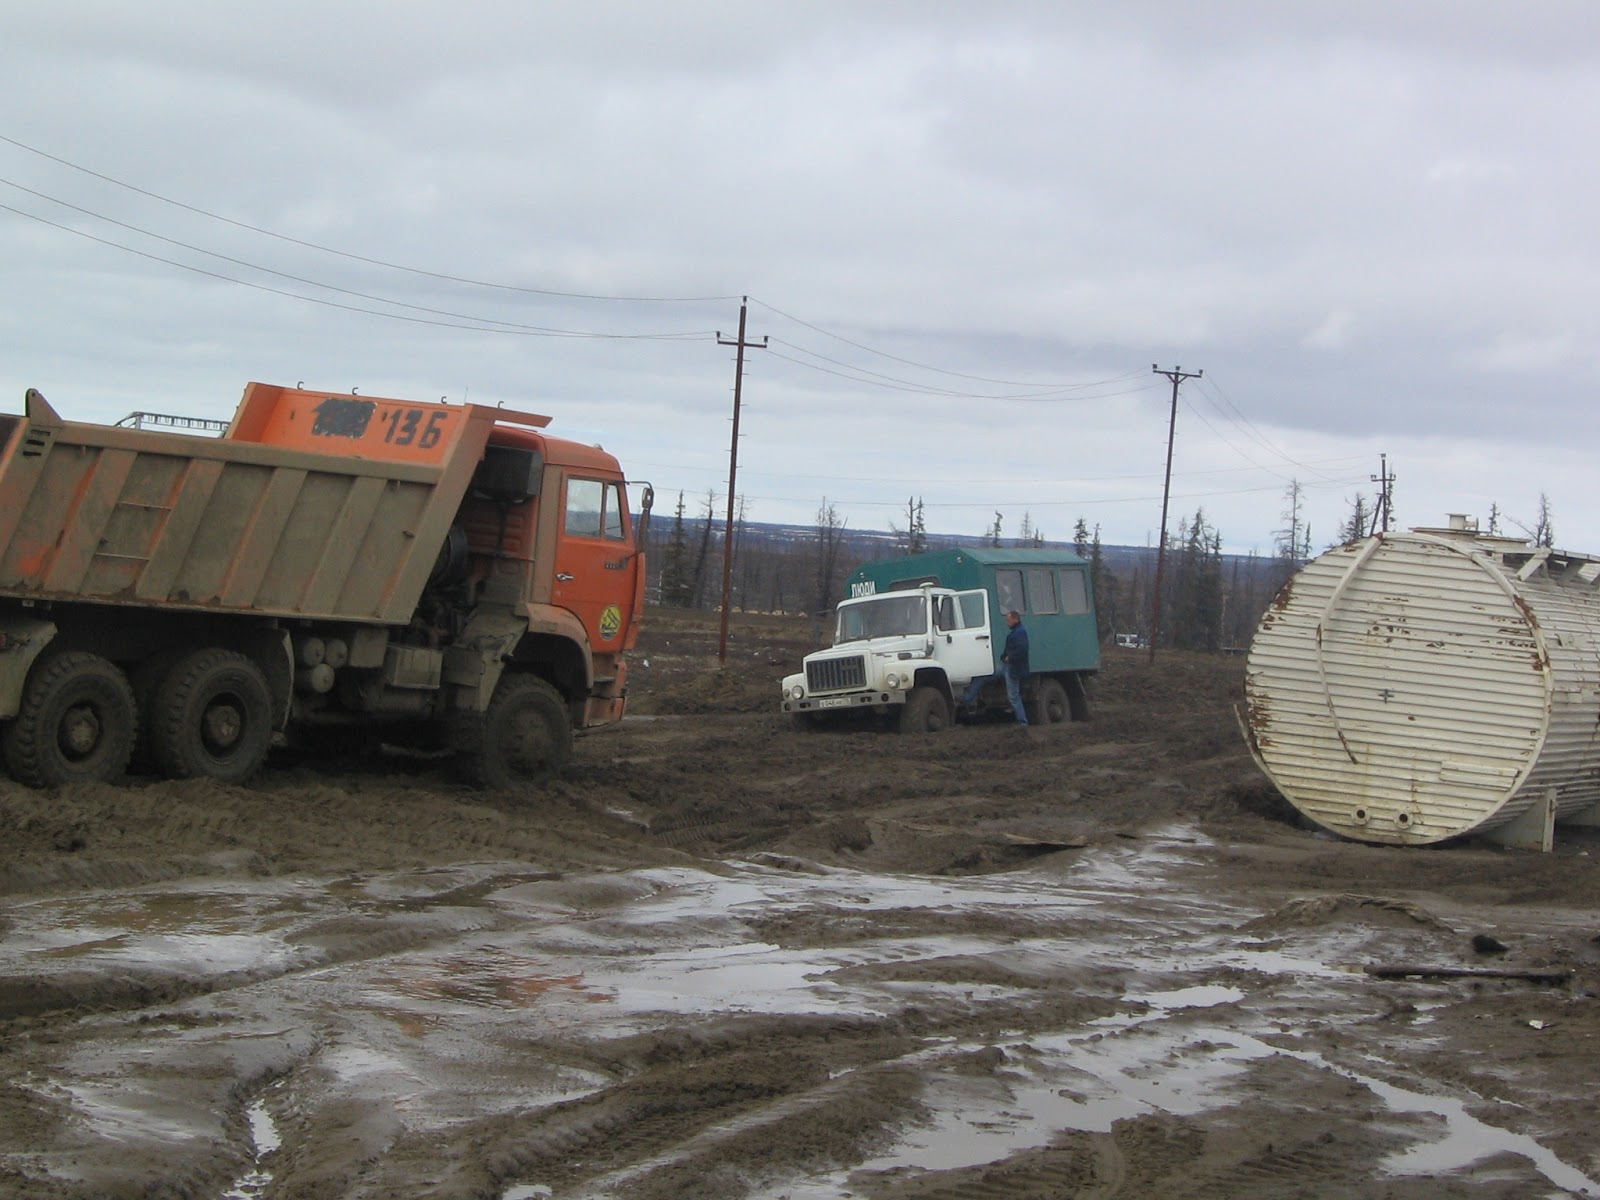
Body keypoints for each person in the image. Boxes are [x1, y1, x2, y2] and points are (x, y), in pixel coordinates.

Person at [959, 610, 1030, 725]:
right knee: (984, 675)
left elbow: (1023, 649)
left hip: (1013, 668)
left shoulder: (1019, 632)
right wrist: (1004, 656)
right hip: (1008, 666)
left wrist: (1009, 657)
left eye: (1008, 620)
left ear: (1015, 619)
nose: (1007, 622)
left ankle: (1023, 722)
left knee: (1013, 696)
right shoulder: (1018, 632)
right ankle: (967, 698)